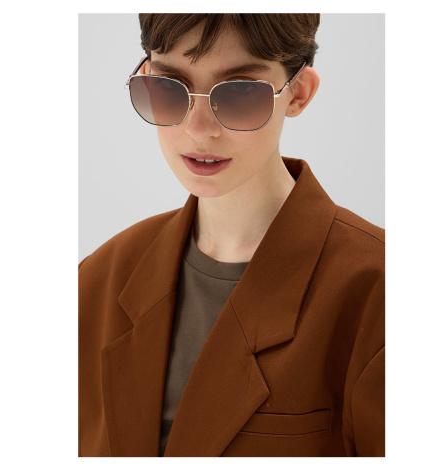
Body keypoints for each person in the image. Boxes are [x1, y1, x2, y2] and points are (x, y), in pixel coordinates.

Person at [78, 13, 384, 457]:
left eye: (240, 92)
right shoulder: (97, 279)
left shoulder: (379, 290)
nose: (198, 129)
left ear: (298, 92)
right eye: (169, 88)